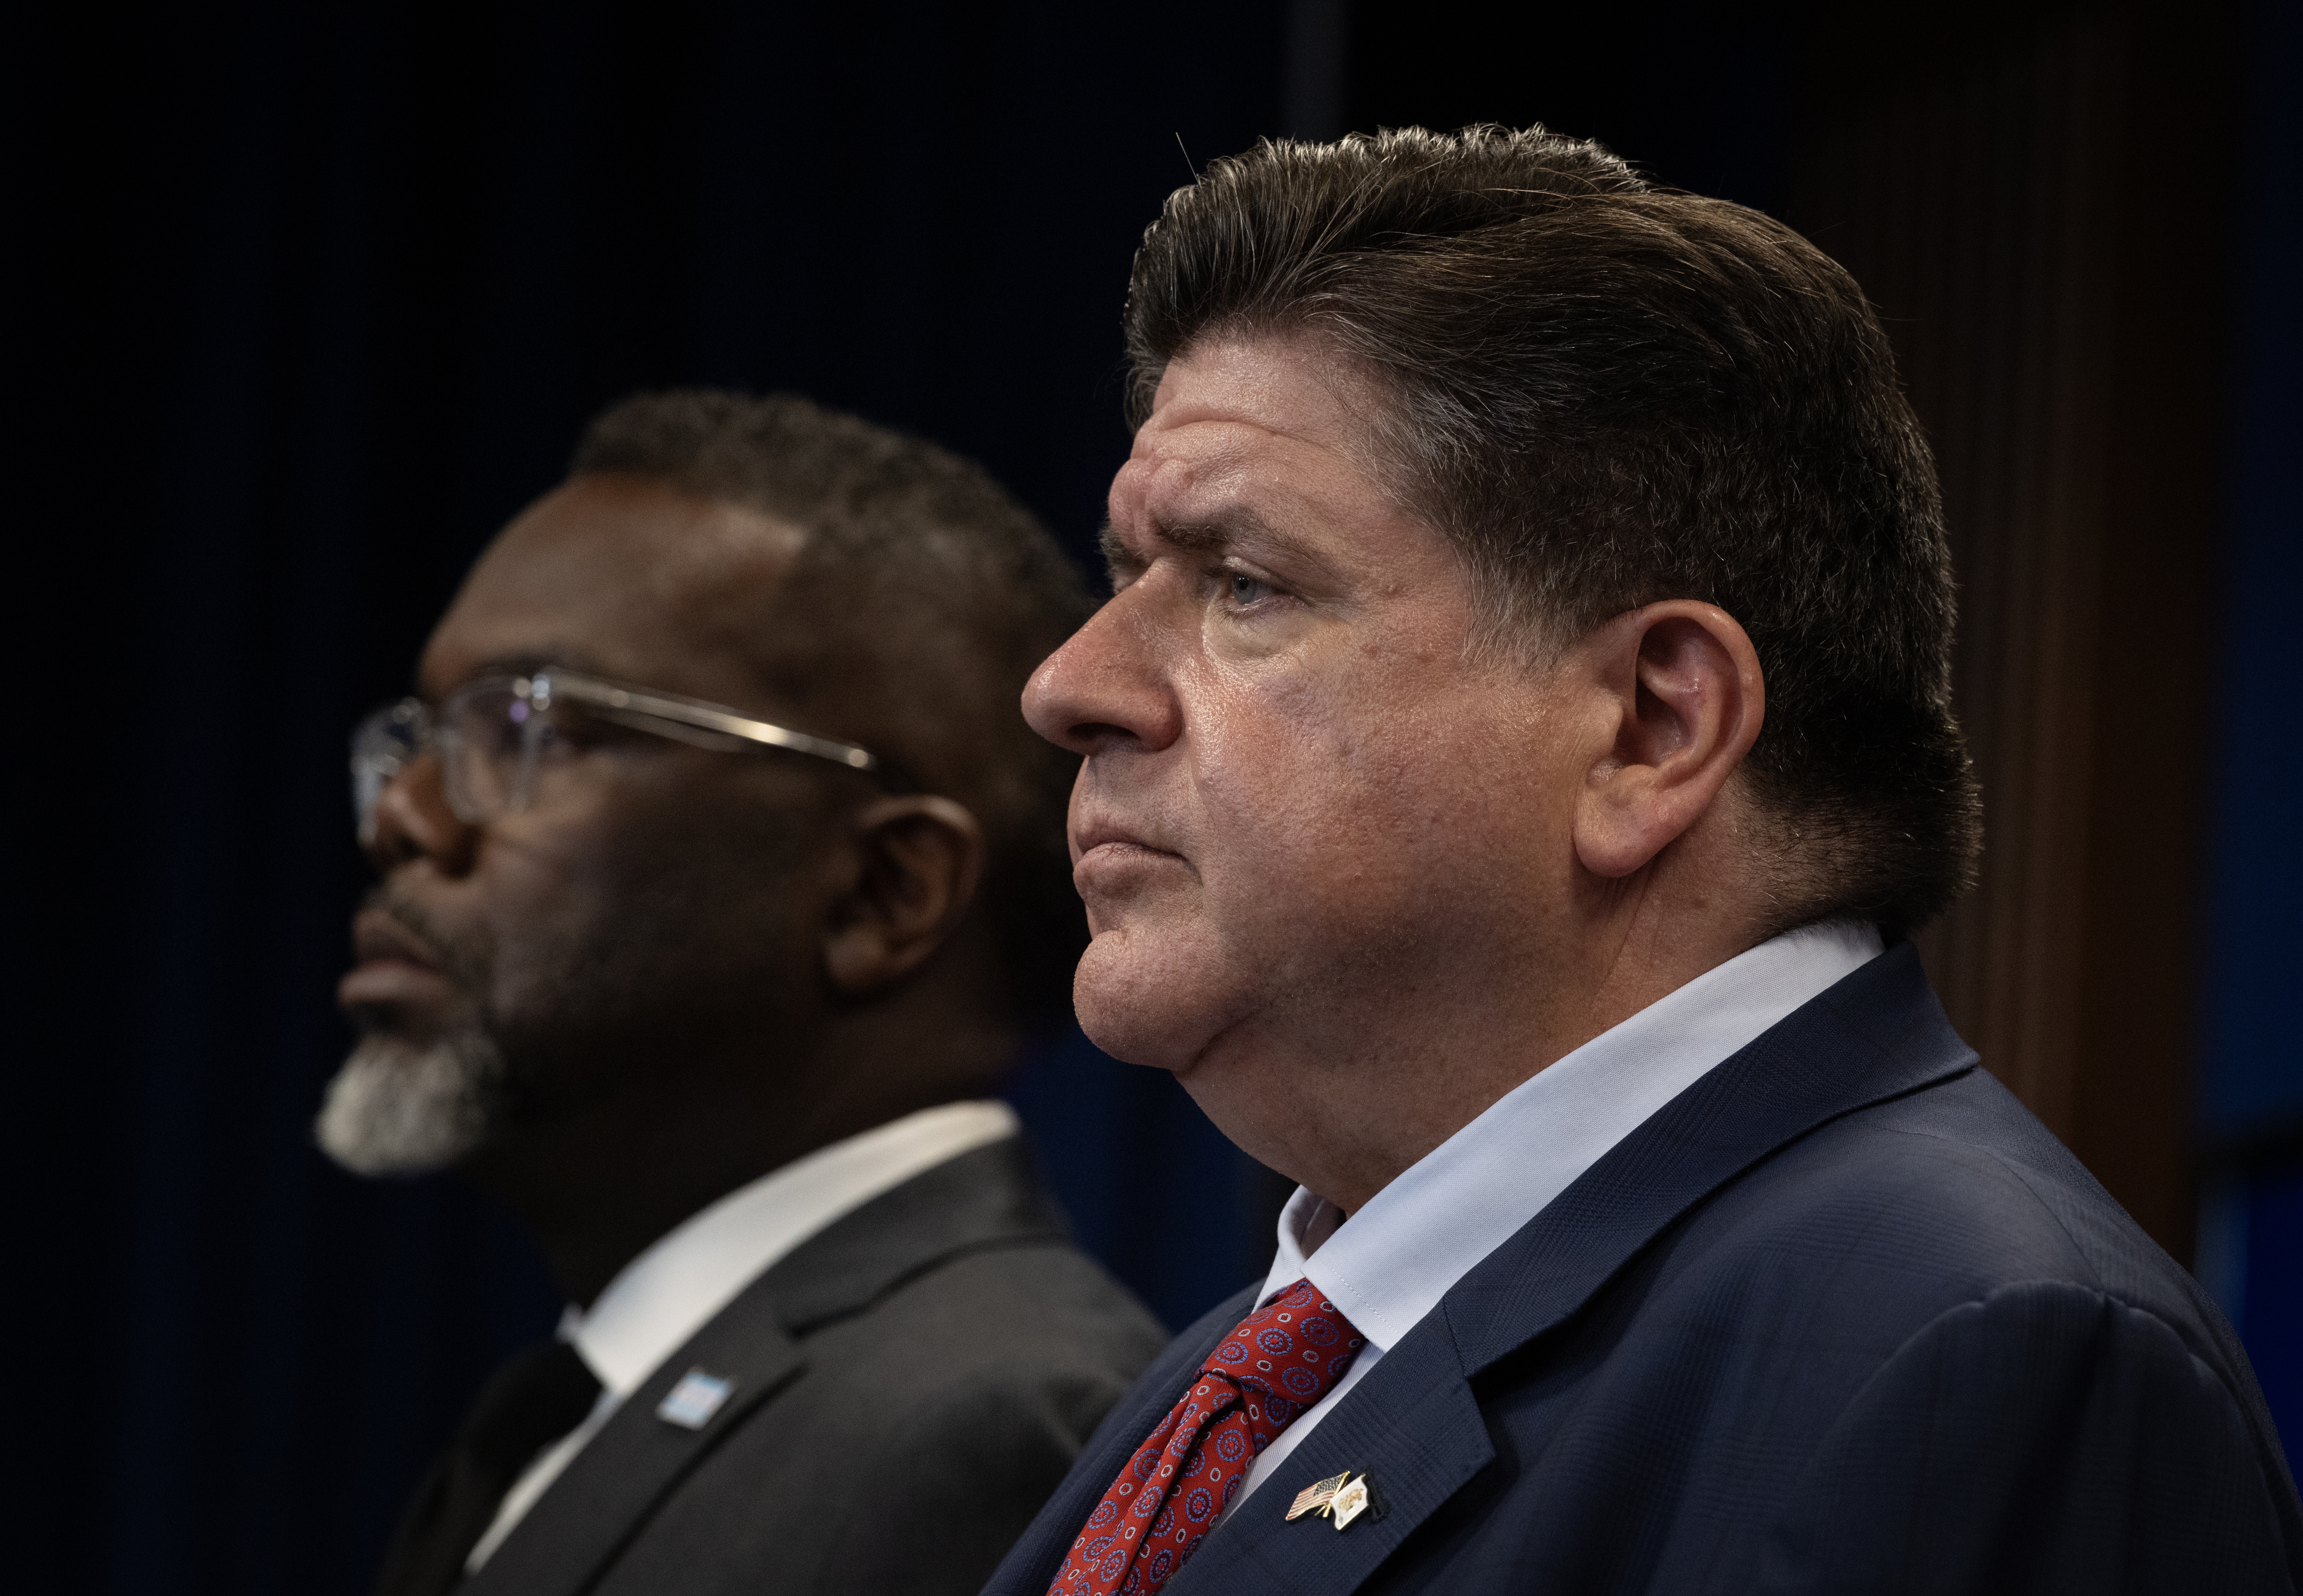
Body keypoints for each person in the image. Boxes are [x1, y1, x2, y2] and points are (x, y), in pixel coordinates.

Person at [981, 126, 2303, 1596]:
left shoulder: (1967, 1349)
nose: (1070, 683)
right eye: (1125, 576)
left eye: (1244, 583)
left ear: (1650, 733)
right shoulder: (1237, 1380)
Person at [321, 390, 1164, 1596]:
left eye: (528, 728)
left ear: (884, 890)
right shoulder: (573, 1407)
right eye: (418, 741)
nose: (407, 815)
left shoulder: (1001, 1432)